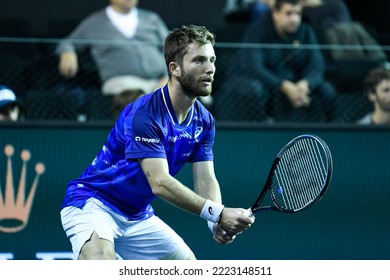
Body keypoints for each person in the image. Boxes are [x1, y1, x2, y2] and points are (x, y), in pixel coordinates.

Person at [60, 25, 255, 260]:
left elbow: (205, 178)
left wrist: (214, 221)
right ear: (175, 68)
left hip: (136, 215)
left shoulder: (204, 121)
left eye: (212, 60)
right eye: (199, 61)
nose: (210, 68)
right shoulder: (145, 114)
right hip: (93, 203)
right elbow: (159, 182)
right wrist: (219, 213)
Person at [234, 0, 336, 122]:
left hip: (298, 84)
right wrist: (284, 86)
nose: (294, 19)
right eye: (288, 13)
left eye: (297, 14)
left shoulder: (306, 32)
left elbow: (317, 65)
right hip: (269, 82)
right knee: (255, 89)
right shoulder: (258, 31)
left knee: (327, 90)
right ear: (275, 14)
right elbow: (253, 67)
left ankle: (326, 131)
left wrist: (306, 84)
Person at [55, 0, 169, 96]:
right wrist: (67, 52)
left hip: (161, 81)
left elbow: (172, 48)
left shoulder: (151, 19)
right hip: (122, 82)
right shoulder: (95, 23)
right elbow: (68, 42)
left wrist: (168, 77)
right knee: (135, 97)